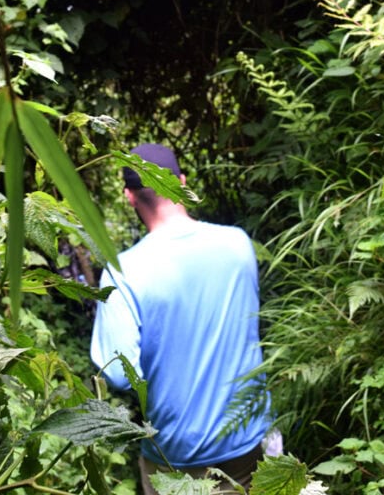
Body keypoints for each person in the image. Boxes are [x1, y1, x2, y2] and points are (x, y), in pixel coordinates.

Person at [90, 143, 270, 494]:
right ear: (182, 182)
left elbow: (116, 373)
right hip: (245, 443)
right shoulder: (238, 244)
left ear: (129, 196)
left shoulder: (123, 271)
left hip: (174, 458)